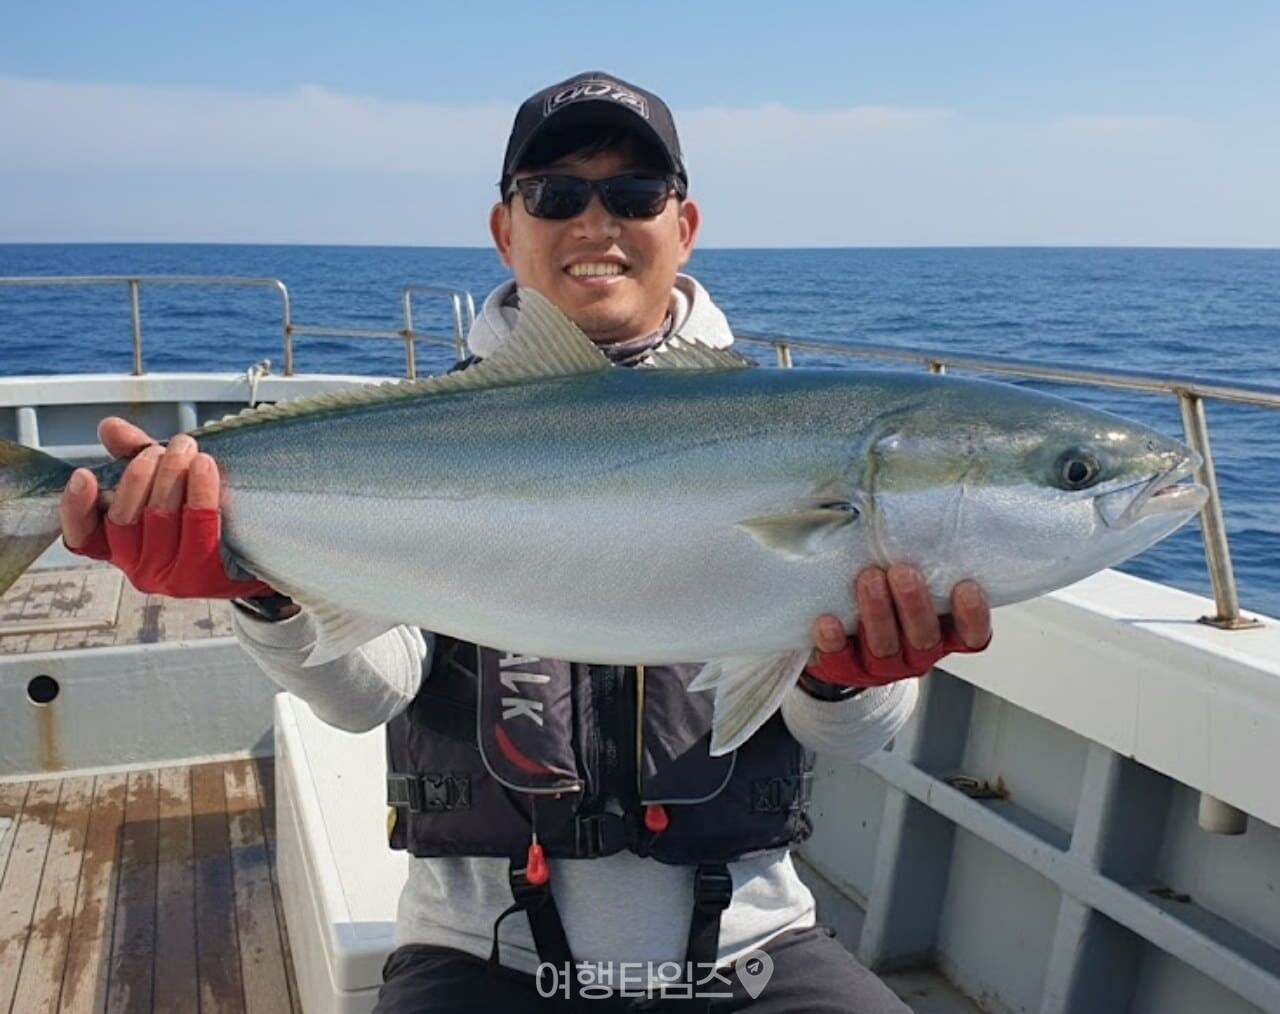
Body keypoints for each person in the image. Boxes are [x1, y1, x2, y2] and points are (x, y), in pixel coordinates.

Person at [58, 72, 990, 1012]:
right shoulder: (430, 440)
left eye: (633, 196)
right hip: (479, 955)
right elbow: (364, 693)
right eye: (555, 196)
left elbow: (854, 734)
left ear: (684, 224)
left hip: (754, 950)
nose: (596, 225)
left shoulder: (798, 434)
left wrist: (844, 677)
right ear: (507, 230)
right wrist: (265, 591)